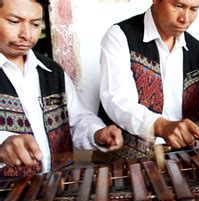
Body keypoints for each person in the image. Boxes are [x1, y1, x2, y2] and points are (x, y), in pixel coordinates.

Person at [99, 0, 199, 159]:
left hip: (183, 157)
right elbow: (118, 100)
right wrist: (162, 126)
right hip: (130, 162)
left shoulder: (196, 48)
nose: (185, 18)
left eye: (193, 9)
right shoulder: (120, 36)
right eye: (178, 6)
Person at [0, 0, 123, 177]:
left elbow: (76, 120)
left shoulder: (52, 72)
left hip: (58, 187)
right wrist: (2, 144)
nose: (26, 34)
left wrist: (97, 133)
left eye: (35, 24)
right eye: (14, 21)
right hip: (7, 197)